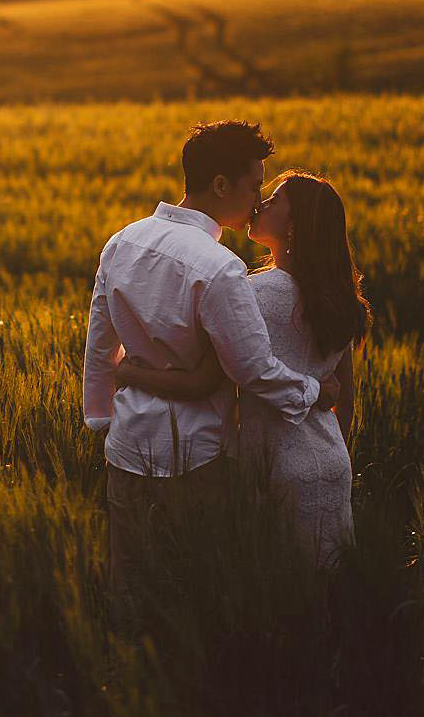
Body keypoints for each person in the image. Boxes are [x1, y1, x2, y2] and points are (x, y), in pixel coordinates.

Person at [82, 120, 340, 631]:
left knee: (130, 588)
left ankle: (126, 683)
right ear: (221, 186)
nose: (256, 201)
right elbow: (255, 370)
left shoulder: (122, 241)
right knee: (192, 590)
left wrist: (102, 420)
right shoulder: (219, 268)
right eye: (252, 187)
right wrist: (317, 391)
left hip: (127, 448)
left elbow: (98, 345)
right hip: (196, 459)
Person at [116, 171, 370, 566]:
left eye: (272, 201)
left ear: (292, 225)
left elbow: (202, 381)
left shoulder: (251, 295)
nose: (259, 204)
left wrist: (128, 373)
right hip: (333, 466)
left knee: (276, 600)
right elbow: (347, 401)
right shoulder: (342, 300)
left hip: (274, 470)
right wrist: (335, 452)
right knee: (325, 599)